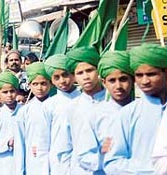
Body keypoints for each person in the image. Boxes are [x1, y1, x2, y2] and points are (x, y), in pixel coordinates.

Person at [104, 43, 167, 174]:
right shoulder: (127, 114)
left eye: (151, 74)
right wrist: (154, 170)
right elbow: (112, 162)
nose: (144, 81)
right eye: (139, 75)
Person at [77, 50, 134, 174]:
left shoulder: (142, 112)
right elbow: (83, 157)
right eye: (112, 81)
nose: (118, 86)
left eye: (123, 79)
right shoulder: (96, 115)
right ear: (104, 82)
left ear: (133, 80)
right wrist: (105, 156)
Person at [63, 46, 105, 174]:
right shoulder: (72, 108)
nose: (86, 76)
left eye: (90, 70)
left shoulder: (112, 102)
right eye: (80, 73)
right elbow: (65, 147)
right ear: (74, 77)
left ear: (98, 71)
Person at [43, 54, 81, 175]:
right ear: (52, 81)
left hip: (83, 160)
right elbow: (44, 140)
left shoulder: (85, 100)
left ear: (73, 75)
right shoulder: (49, 105)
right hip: (58, 162)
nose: (62, 81)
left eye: (65, 75)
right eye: (57, 77)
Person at [0, 72, 25, 175]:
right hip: (3, 163)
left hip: (25, 161)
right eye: (5, 92)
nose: (9, 95)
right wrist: (7, 144)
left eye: (12, 91)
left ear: (16, 92)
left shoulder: (25, 111)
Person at [18, 62, 52, 175]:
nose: (39, 88)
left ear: (50, 84)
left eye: (43, 83)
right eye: (35, 84)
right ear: (30, 85)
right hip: (33, 163)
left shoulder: (58, 107)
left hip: (56, 162)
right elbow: (20, 143)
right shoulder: (25, 111)